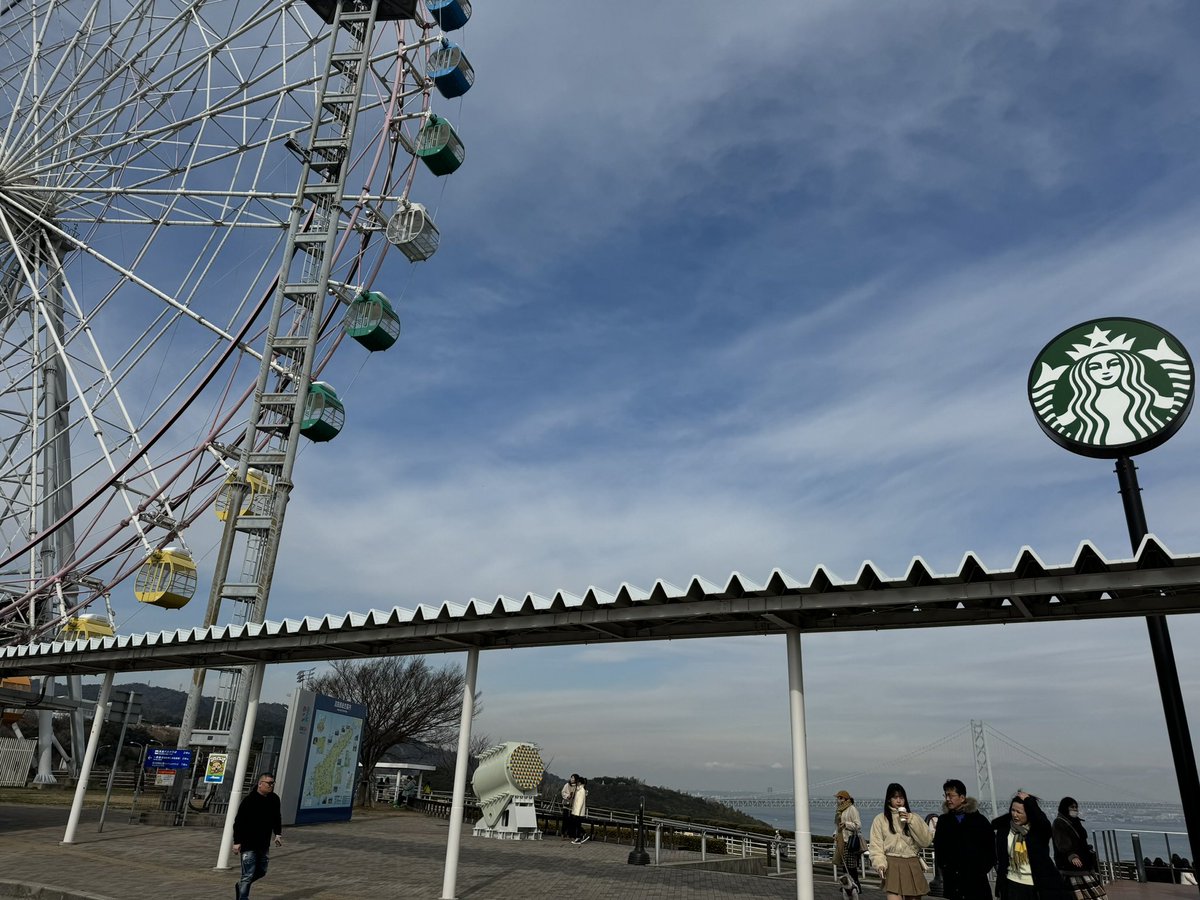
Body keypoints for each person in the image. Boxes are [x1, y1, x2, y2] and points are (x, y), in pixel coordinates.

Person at [993, 791, 1066, 900]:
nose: (1015, 815)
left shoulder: (1038, 832)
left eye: (1019, 812)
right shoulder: (1004, 831)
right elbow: (1001, 859)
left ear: (1029, 813)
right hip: (1011, 885)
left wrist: (1029, 801)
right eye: (1013, 810)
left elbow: (1044, 824)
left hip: (1036, 885)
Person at [933, 779, 996, 900]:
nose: (947, 799)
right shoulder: (943, 821)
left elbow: (991, 849)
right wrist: (946, 867)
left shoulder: (980, 821)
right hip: (953, 882)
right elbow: (939, 847)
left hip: (976, 883)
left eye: (951, 795)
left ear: (962, 797)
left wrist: (980, 870)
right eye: (945, 795)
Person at [870, 782, 933, 900]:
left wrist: (911, 820)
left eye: (901, 797)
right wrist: (879, 863)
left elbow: (926, 841)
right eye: (895, 797)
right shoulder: (880, 819)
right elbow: (876, 845)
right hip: (892, 863)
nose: (898, 801)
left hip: (912, 863)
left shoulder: (914, 817)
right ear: (889, 800)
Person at [232, 773, 283, 900]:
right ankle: (243, 897)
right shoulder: (249, 800)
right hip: (248, 843)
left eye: (273, 783)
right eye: (269, 783)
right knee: (247, 875)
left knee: (261, 871)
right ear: (260, 784)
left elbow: (277, 817)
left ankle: (241, 885)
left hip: (264, 843)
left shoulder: (274, 799)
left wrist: (278, 834)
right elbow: (239, 822)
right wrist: (237, 841)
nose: (271, 786)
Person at [1051, 797, 1105, 900]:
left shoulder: (1075, 821)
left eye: (1076, 807)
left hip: (1084, 865)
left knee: (1094, 895)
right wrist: (1072, 856)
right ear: (1065, 808)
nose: (1075, 809)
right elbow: (1062, 843)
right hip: (1070, 868)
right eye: (1072, 807)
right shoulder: (1059, 822)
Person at [834, 790, 864, 892]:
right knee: (844, 865)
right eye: (838, 798)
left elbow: (858, 825)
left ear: (846, 799)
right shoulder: (840, 810)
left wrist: (846, 824)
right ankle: (846, 886)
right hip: (842, 840)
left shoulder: (852, 809)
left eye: (840, 798)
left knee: (851, 866)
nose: (838, 800)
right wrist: (835, 834)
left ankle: (856, 886)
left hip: (850, 841)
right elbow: (838, 825)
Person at [570, 776, 590, 844]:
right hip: (576, 811)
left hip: (578, 812)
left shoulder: (582, 791)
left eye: (577, 782)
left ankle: (578, 838)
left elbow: (580, 802)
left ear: (580, 783)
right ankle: (582, 834)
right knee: (576, 825)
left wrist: (577, 813)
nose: (576, 783)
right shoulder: (579, 789)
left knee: (577, 825)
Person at [560, 774, 578, 841]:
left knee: (572, 821)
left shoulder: (577, 787)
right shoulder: (567, 785)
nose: (572, 779)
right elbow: (563, 792)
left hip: (573, 806)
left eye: (573, 778)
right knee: (565, 820)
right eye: (571, 778)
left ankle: (570, 834)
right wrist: (568, 796)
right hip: (566, 806)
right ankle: (563, 834)